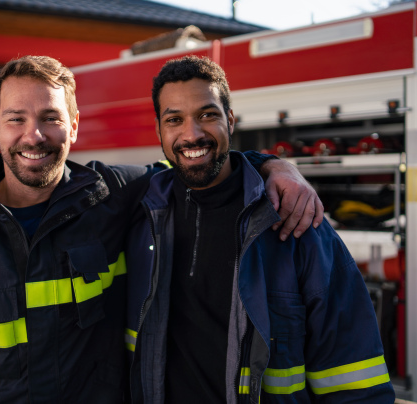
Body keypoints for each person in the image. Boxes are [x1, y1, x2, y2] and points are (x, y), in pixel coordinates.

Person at [0, 55, 320, 403]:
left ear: (74, 125)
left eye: (50, 117)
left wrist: (273, 167)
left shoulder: (113, 196)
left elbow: (196, 158)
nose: (34, 136)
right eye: (15, 119)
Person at [123, 55, 395, 403]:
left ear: (231, 120)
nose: (192, 134)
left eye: (208, 115)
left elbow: (356, 379)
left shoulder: (296, 223)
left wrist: (272, 166)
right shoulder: (138, 216)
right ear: (159, 130)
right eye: (174, 119)